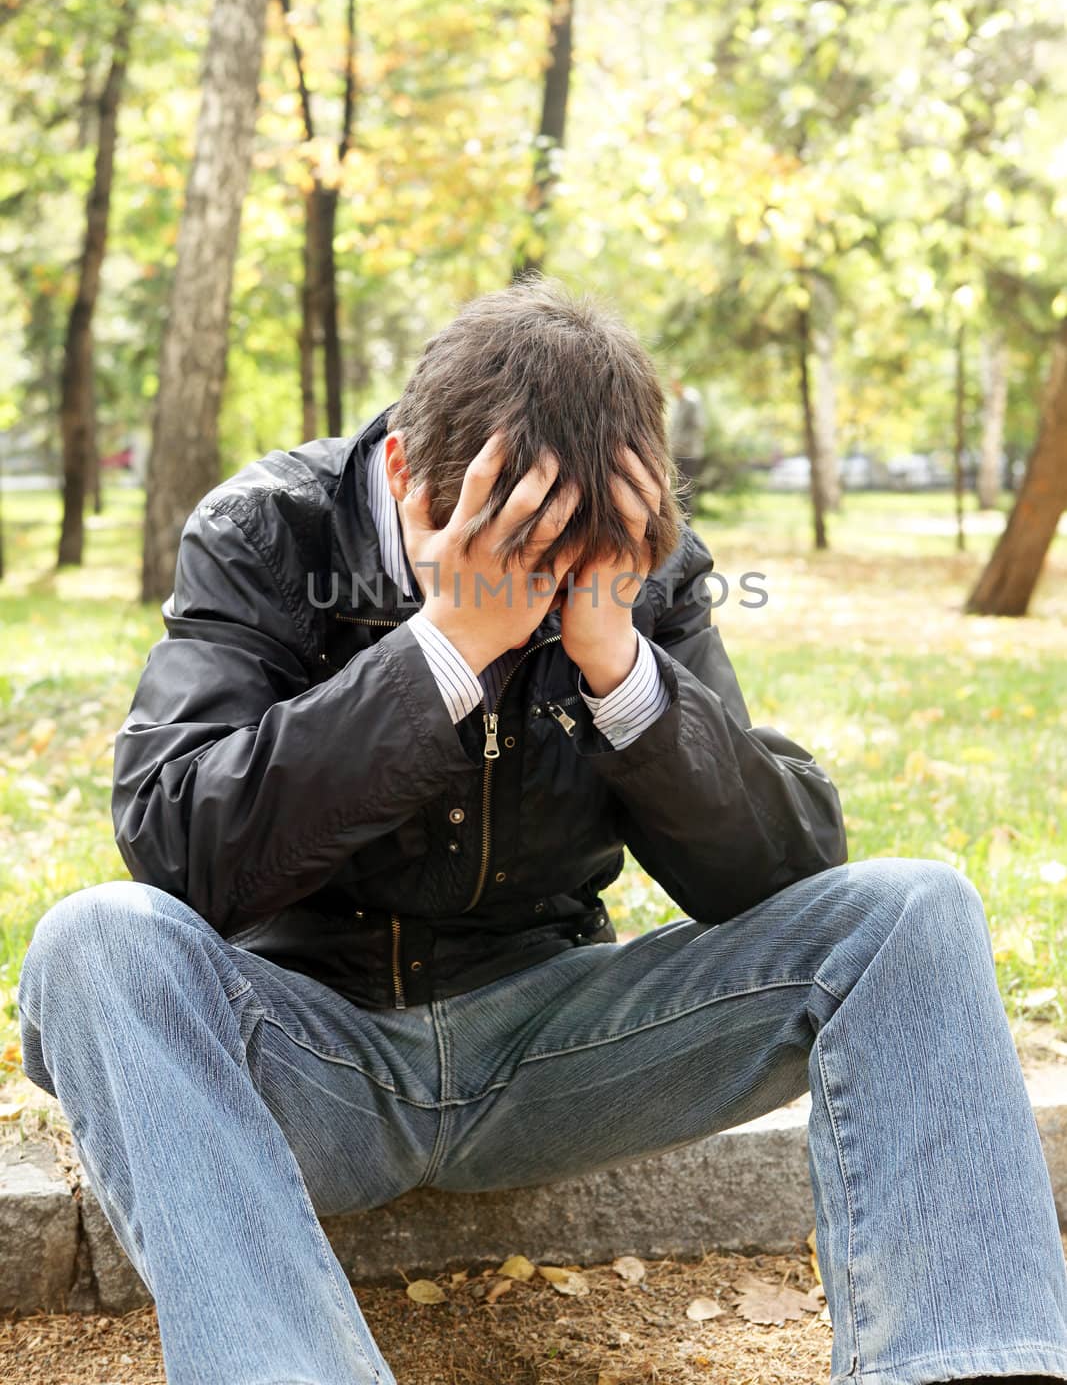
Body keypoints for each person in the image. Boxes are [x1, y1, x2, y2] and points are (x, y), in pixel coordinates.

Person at [17, 275, 1067, 1385]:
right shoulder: (265, 533)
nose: (550, 583)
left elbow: (782, 873)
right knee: (94, 940)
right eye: (521, 546)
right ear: (400, 475)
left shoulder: (641, 559)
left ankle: (966, 1364)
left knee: (913, 909)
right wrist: (443, 650)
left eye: (579, 554)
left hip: (558, 1053)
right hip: (307, 1054)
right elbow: (178, 847)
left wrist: (619, 662)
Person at [667, 375, 707, 519]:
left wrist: (681, 441)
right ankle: (678, 524)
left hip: (689, 453)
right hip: (676, 453)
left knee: (686, 492)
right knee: (677, 490)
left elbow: (700, 426)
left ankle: (686, 528)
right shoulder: (677, 403)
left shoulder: (691, 401)